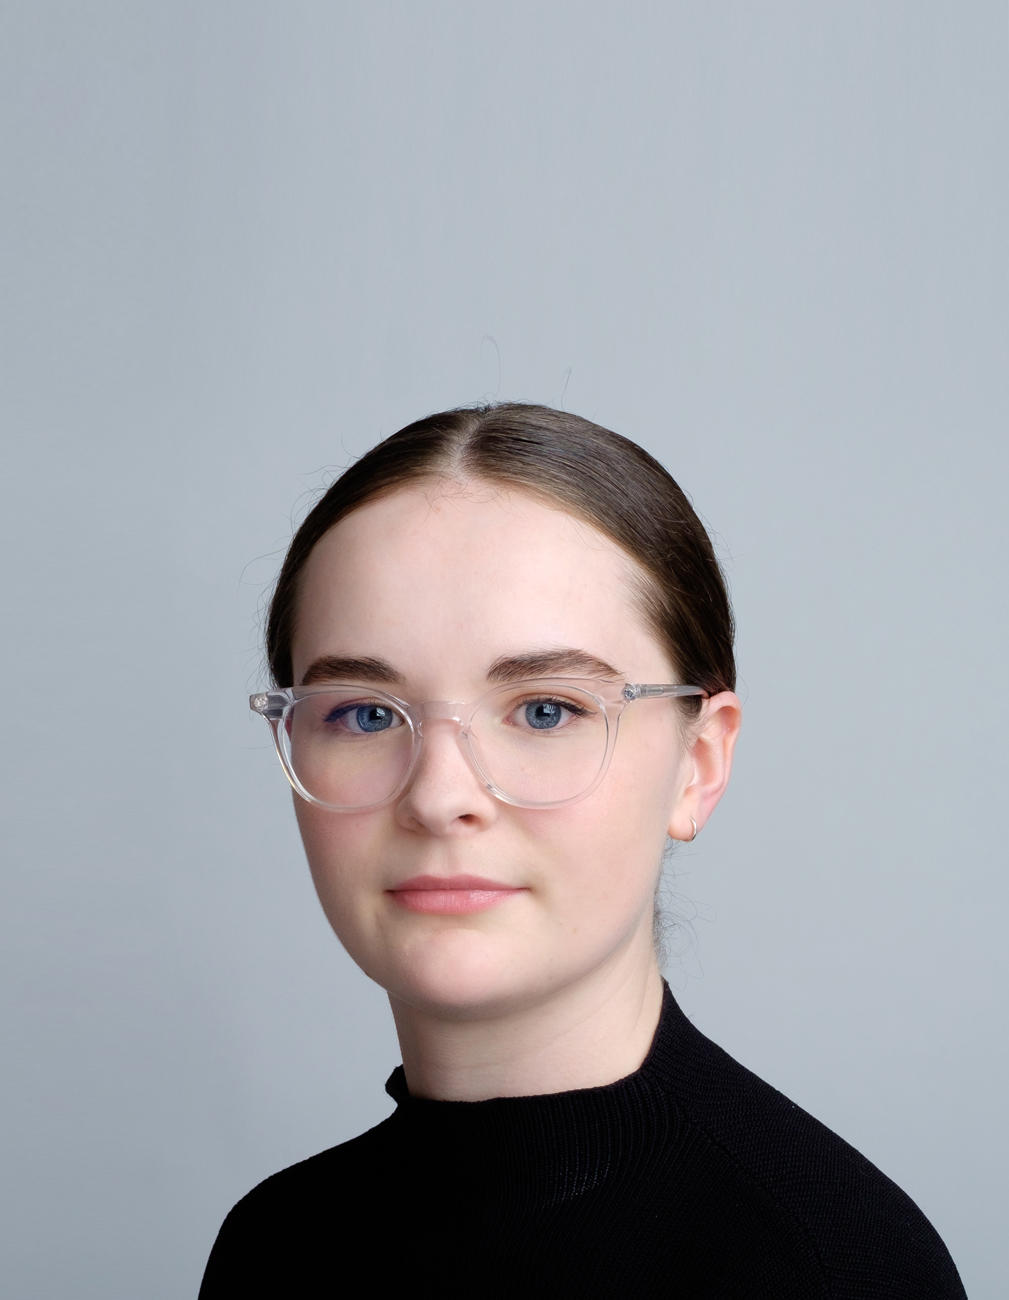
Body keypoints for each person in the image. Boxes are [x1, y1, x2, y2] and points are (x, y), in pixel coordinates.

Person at [199, 404, 965, 1298]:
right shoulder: (275, 1246)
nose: (439, 797)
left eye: (544, 710)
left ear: (697, 765)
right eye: (365, 715)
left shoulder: (834, 1268)